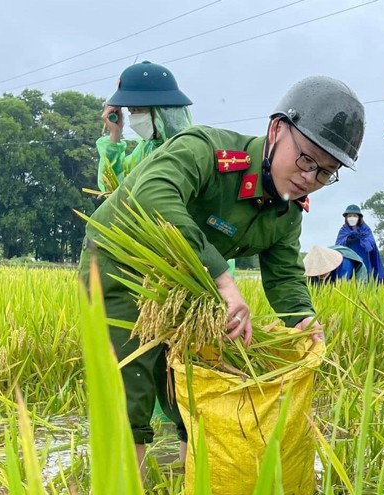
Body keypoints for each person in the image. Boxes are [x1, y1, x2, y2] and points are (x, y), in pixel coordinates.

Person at [79, 75, 365, 473]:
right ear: (277, 129)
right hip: (121, 259)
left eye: (324, 172)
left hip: (184, 282)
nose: (308, 178)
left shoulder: (287, 211)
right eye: (306, 159)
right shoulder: (207, 150)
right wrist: (222, 278)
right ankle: (121, 492)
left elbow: (283, 275)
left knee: (193, 378)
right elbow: (151, 196)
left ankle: (194, 486)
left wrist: (303, 319)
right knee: (133, 376)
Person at [97, 60, 194, 192]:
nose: (133, 117)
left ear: (162, 112)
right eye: (131, 111)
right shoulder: (146, 149)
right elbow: (114, 190)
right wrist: (115, 134)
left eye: (138, 110)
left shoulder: (185, 150)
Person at [334, 204, 384, 283]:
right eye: (349, 216)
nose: (352, 218)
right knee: (345, 274)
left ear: (359, 218)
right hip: (348, 258)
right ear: (346, 218)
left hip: (363, 258)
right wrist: (347, 239)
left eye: (354, 216)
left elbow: (371, 244)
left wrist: (362, 238)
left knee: (363, 279)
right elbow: (338, 246)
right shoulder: (343, 230)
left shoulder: (365, 229)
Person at [304, 245, 369, 284]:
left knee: (358, 291)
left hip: (353, 266)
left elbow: (341, 288)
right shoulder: (312, 271)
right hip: (334, 256)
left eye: (323, 270)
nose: (321, 274)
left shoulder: (344, 266)